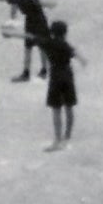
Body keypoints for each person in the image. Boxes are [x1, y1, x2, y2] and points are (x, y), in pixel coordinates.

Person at [30, 20, 83, 151]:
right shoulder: (65, 44)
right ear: (65, 33)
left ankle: (57, 140)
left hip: (55, 76)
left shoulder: (48, 43)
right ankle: (67, 137)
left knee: (56, 109)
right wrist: (83, 61)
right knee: (69, 107)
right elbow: (76, 54)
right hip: (67, 75)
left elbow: (31, 37)